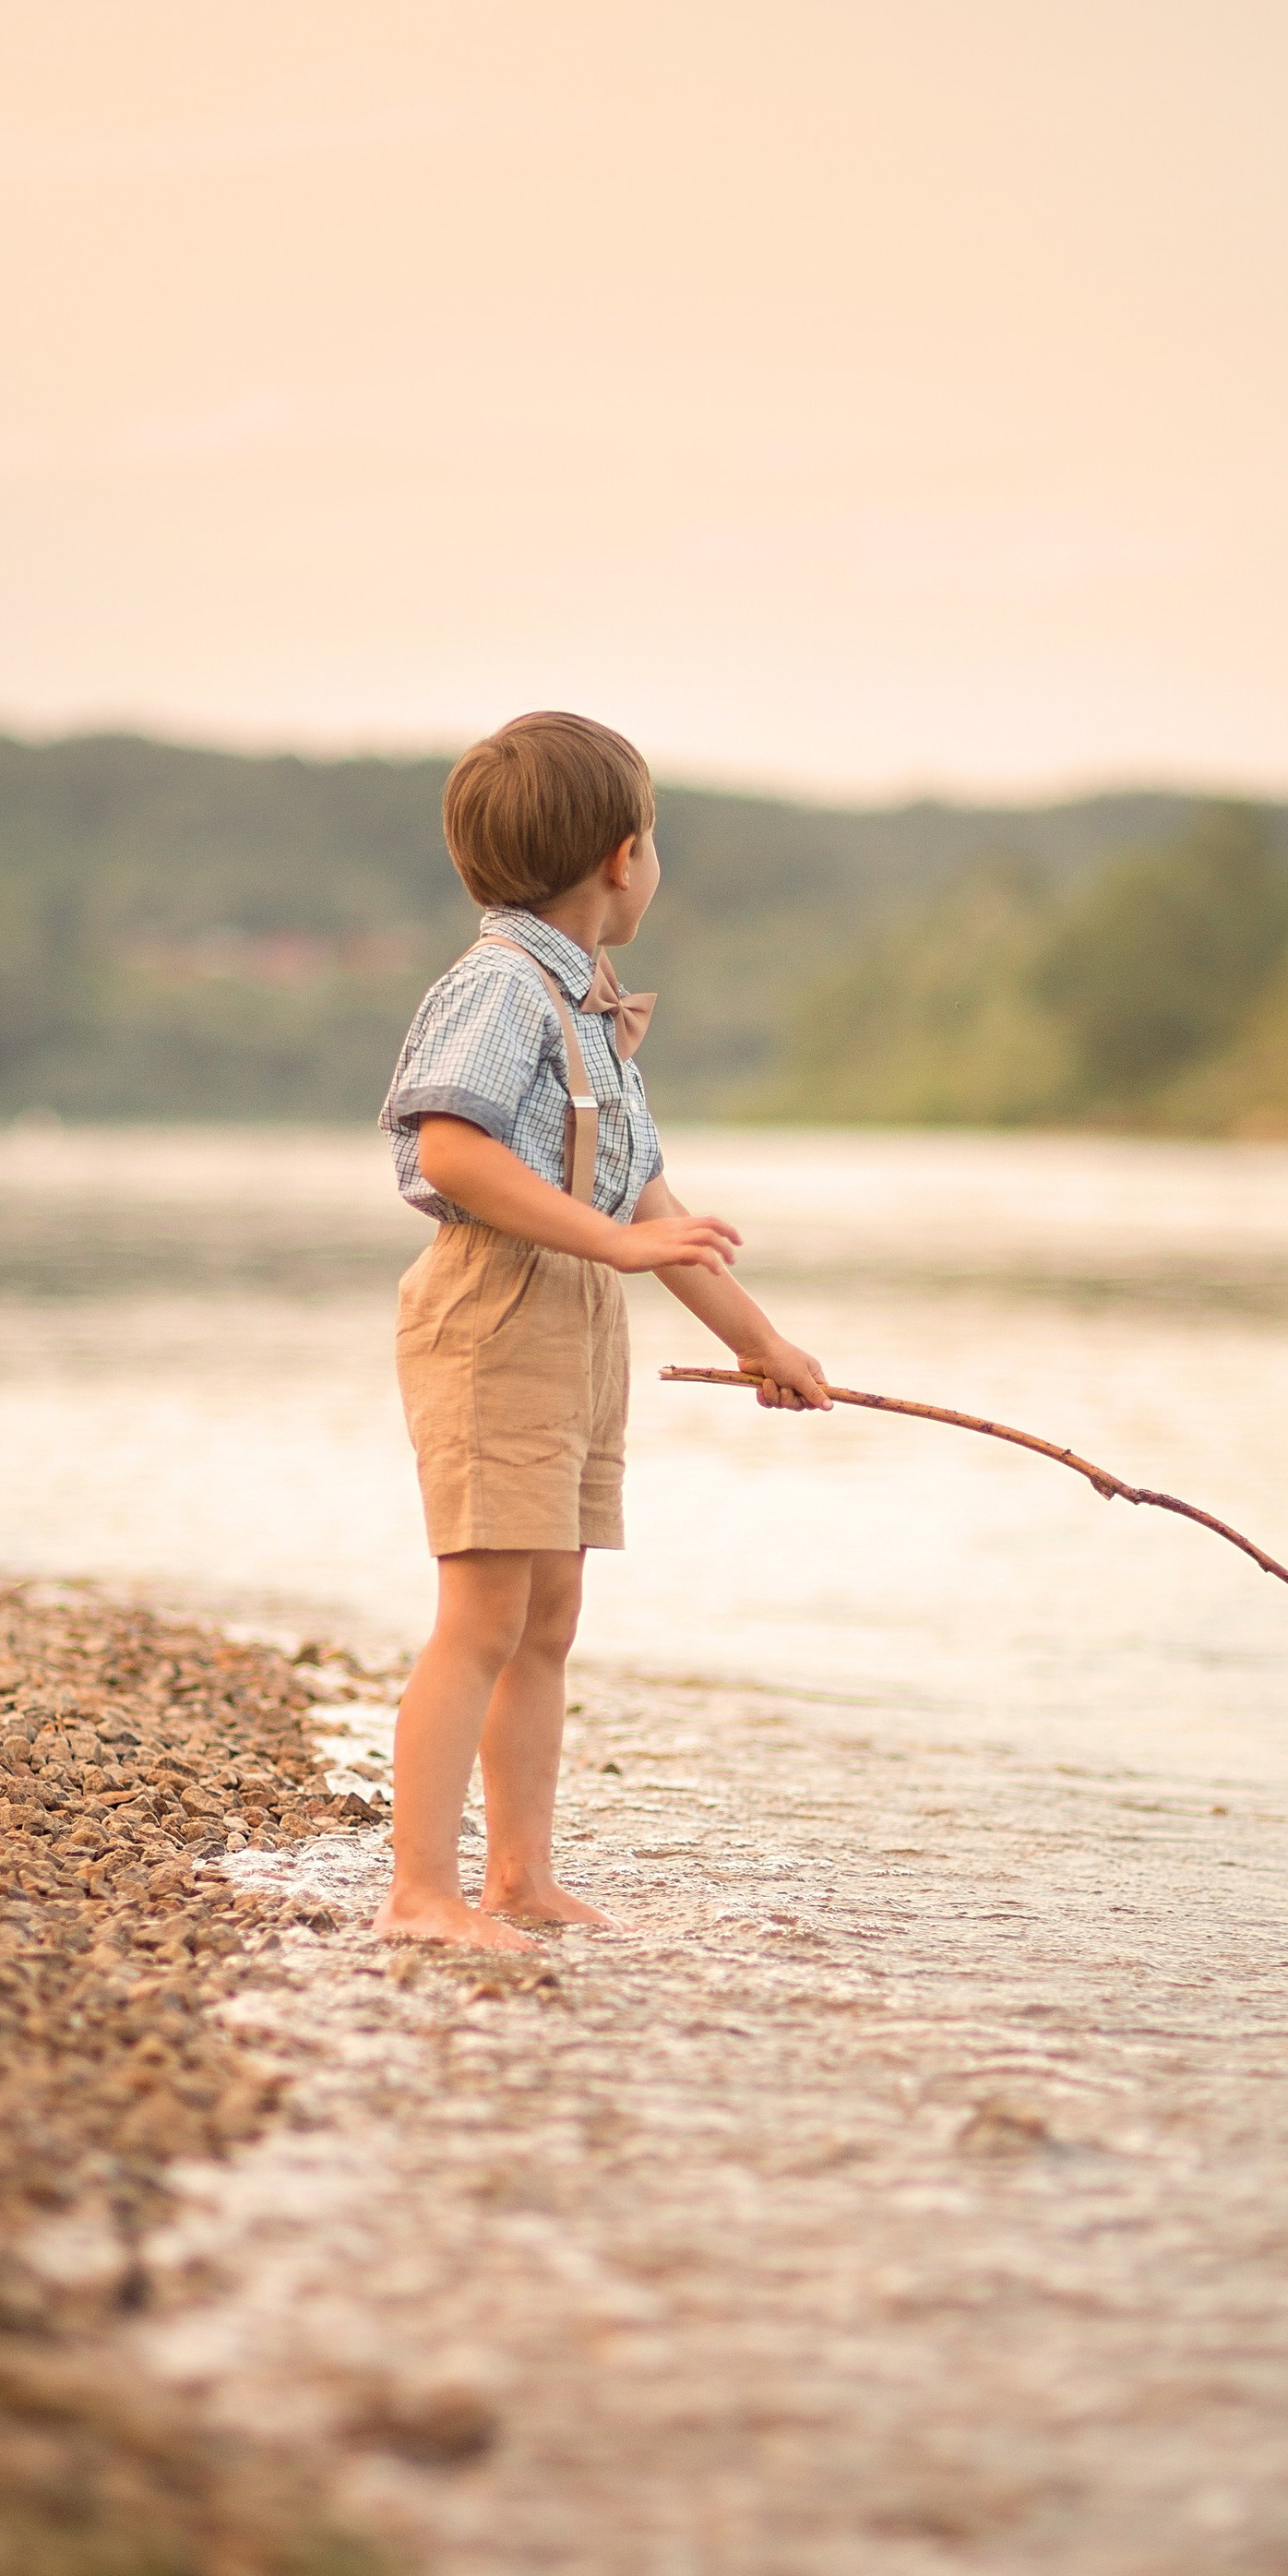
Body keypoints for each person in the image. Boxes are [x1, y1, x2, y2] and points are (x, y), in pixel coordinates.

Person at [376, 710, 830, 1949]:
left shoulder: (590, 1010)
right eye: (657, 839)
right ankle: (421, 1895)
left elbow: (652, 1205)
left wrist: (763, 1344)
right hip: (497, 1311)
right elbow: (453, 1150)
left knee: (550, 1616)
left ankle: (520, 1877)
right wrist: (622, 1245)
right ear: (625, 856)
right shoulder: (500, 986)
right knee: (480, 1616)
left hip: (574, 1316)